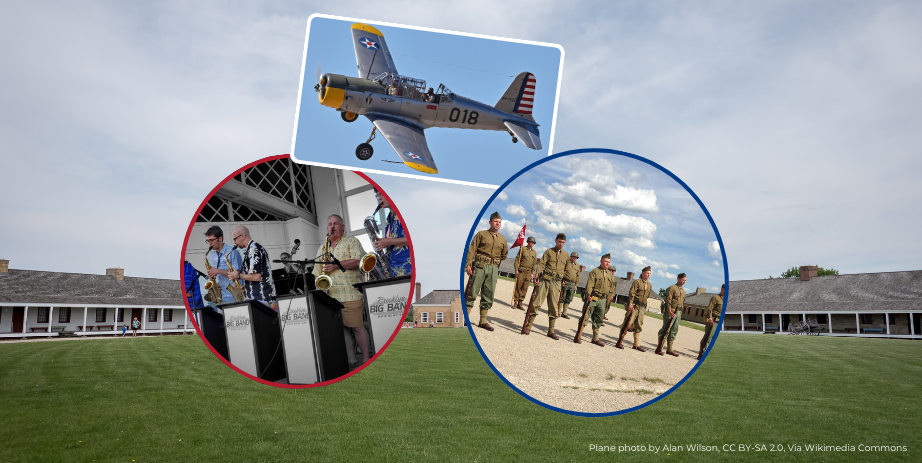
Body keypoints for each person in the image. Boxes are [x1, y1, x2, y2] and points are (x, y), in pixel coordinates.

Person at [310, 215, 371, 364]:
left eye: (335, 224)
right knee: (341, 330)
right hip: (330, 296)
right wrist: (319, 288)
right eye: (329, 224)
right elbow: (316, 272)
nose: (332, 226)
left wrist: (336, 265)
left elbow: (358, 261)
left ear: (342, 227)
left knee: (357, 327)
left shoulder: (352, 241)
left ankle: (366, 358)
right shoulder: (322, 248)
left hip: (349, 293)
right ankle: (350, 360)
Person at [464, 211, 508, 331]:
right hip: (480, 266)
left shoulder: (503, 239)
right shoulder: (481, 234)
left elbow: (504, 255)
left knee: (489, 294)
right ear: (490, 222)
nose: (497, 224)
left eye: (499, 222)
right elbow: (472, 249)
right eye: (495, 221)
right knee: (472, 291)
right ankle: (465, 317)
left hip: (493, 268)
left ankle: (483, 321)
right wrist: (468, 264)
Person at [522, 233, 568, 339]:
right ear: (556, 240)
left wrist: (566, 279)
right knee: (536, 303)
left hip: (556, 283)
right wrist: (537, 273)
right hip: (545, 280)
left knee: (553, 307)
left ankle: (551, 330)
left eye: (563, 243)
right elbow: (541, 263)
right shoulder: (549, 251)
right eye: (560, 242)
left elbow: (567, 269)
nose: (561, 244)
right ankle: (528, 326)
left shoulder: (566, 255)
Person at [227, 226, 277, 309]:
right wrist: (246, 287)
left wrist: (238, 275)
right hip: (258, 298)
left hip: (262, 298)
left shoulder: (254, 250)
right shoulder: (251, 249)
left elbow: (256, 277)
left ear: (243, 236)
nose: (234, 242)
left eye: (235, 239)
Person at [575, 254, 616, 346]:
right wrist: (588, 294)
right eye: (606, 261)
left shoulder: (610, 274)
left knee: (598, 319)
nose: (607, 263)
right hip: (593, 297)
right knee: (585, 317)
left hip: (602, 299)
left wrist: (612, 295)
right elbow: (589, 284)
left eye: (609, 262)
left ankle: (595, 338)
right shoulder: (595, 271)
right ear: (601, 261)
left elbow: (612, 286)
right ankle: (578, 335)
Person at [372, 188, 411, 276]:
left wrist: (389, 241)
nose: (379, 198)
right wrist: (382, 243)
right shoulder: (389, 218)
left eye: (381, 194)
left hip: (408, 269)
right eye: (377, 195)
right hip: (394, 271)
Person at [203, 226, 244, 307]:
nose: (209, 243)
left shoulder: (232, 252)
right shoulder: (214, 254)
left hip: (234, 295)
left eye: (211, 240)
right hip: (222, 295)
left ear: (220, 238)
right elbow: (220, 274)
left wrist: (218, 271)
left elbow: (237, 273)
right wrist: (216, 284)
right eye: (207, 241)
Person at [616, 266, 653, 351]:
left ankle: (636, 344)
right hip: (634, 305)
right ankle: (619, 341)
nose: (648, 275)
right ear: (643, 273)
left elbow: (647, 296)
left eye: (650, 274)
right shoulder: (637, 282)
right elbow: (632, 293)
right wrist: (631, 304)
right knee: (627, 323)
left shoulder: (649, 285)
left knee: (639, 325)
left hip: (642, 306)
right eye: (647, 273)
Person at [656, 273, 688, 357]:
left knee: (674, 330)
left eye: (685, 280)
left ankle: (669, 349)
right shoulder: (672, 288)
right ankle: (659, 348)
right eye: (682, 280)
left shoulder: (684, 291)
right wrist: (669, 311)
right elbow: (668, 300)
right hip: (671, 311)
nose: (684, 282)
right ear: (678, 278)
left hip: (678, 313)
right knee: (665, 329)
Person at [699, 284, 724, 360]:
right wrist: (710, 318)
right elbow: (709, 309)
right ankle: (702, 354)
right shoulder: (715, 298)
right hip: (713, 320)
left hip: (720, 321)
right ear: (722, 289)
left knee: (713, 338)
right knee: (708, 337)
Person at [511, 236, 537, 310]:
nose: (531, 243)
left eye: (533, 242)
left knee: (525, 288)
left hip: (529, 272)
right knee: (518, 286)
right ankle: (515, 301)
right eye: (530, 242)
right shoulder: (522, 249)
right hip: (521, 271)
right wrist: (516, 269)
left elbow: (534, 263)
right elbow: (517, 260)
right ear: (528, 242)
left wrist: (532, 273)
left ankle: (520, 302)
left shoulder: (534, 252)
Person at [559, 251, 580, 319]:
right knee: (562, 297)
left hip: (572, 284)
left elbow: (578, 276)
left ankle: (564, 313)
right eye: (574, 257)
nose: (575, 258)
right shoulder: (567, 262)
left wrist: (576, 284)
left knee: (568, 298)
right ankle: (558, 311)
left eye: (576, 257)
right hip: (566, 282)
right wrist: (562, 280)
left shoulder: (577, 265)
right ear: (571, 257)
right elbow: (562, 271)